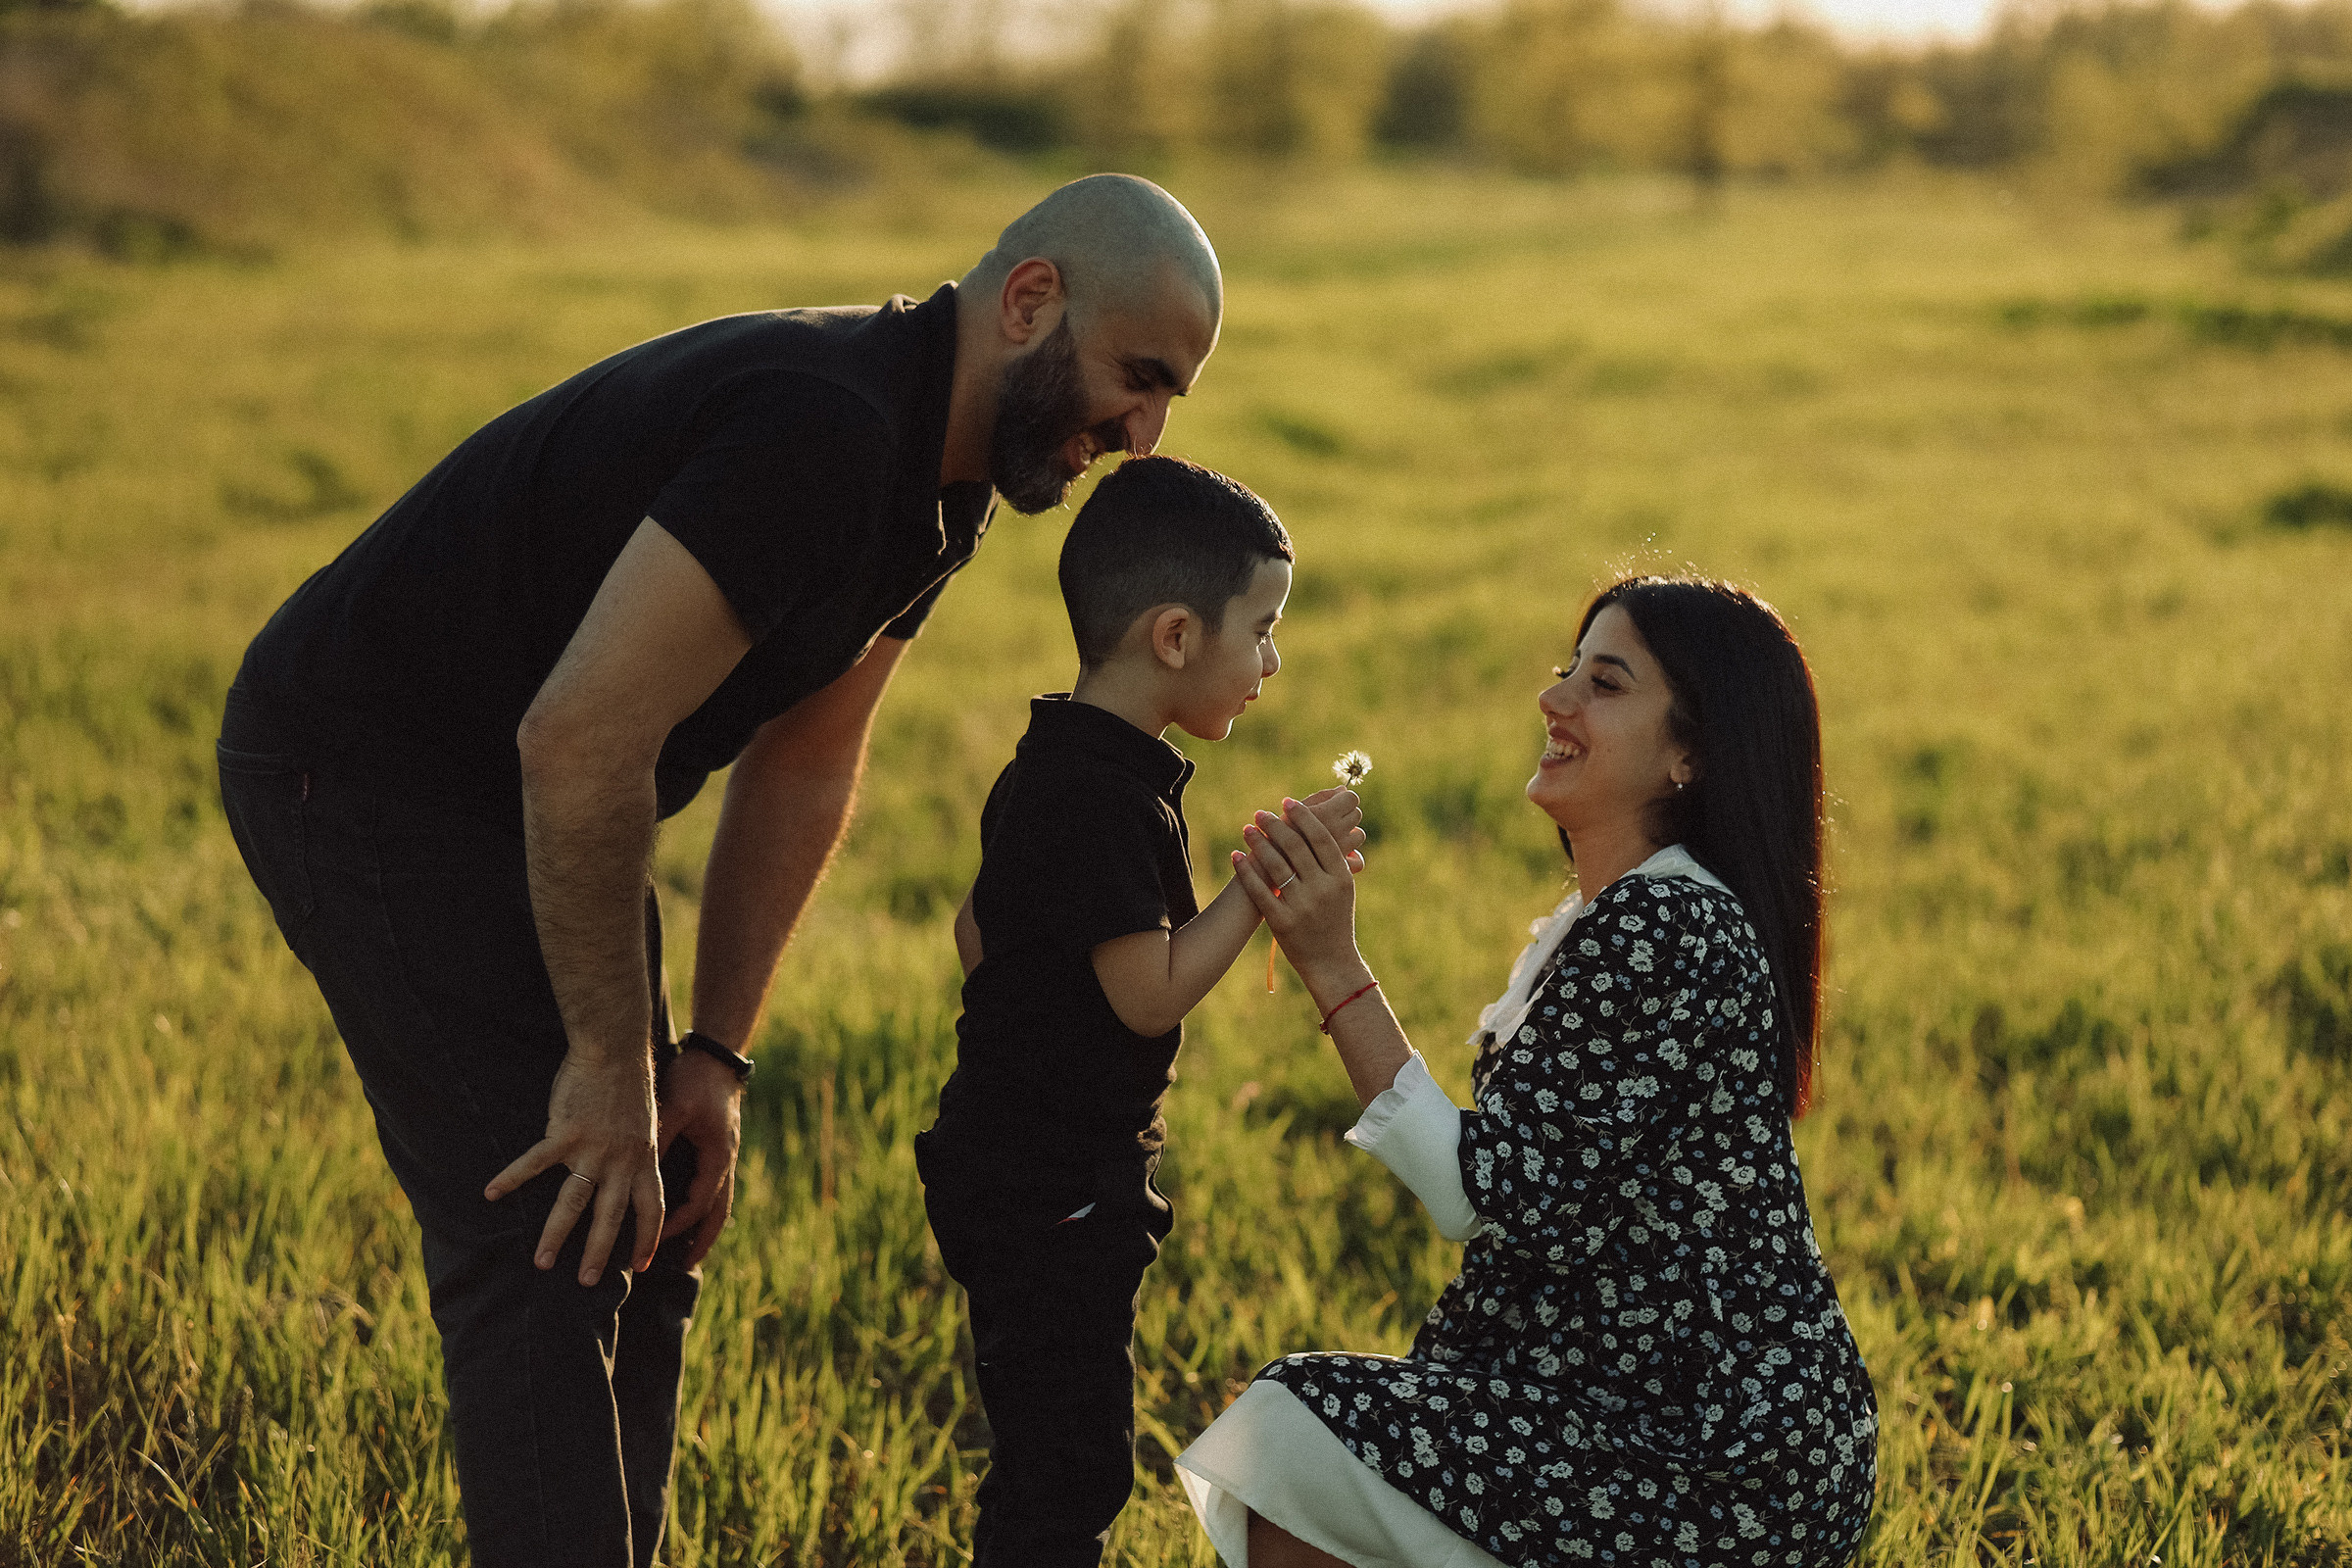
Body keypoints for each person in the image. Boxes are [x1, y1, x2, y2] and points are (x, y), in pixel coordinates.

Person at [212, 173, 1222, 1568]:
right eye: (1138, 377)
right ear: (1031, 301)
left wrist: (710, 1061)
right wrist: (600, 1063)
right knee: (554, 1230)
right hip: (371, 771)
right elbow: (576, 739)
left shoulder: (946, 488)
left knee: (655, 1202)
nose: (1146, 431)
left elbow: (806, 760)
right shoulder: (823, 429)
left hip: (537, 790)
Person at [1178, 575, 1879, 1567]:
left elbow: (1483, 1190)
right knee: (1310, 1450)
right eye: (1566, 672)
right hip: (1640, 1415)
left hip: (1714, 1457)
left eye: (1605, 683)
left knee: (1297, 1426)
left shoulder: (1669, 927)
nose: (1555, 701)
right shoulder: (1628, 918)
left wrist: (1332, 962)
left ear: (1691, 752)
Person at [913, 456, 1365, 1567]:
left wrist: (1028, 1020)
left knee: (1043, 1436)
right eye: (1260, 629)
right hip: (1056, 1190)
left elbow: (977, 931)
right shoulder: (1108, 795)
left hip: (1006, 1162)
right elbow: (1147, 992)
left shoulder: (1052, 759)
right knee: (1070, 1468)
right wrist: (1261, 888)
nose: (1272, 659)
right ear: (1173, 637)